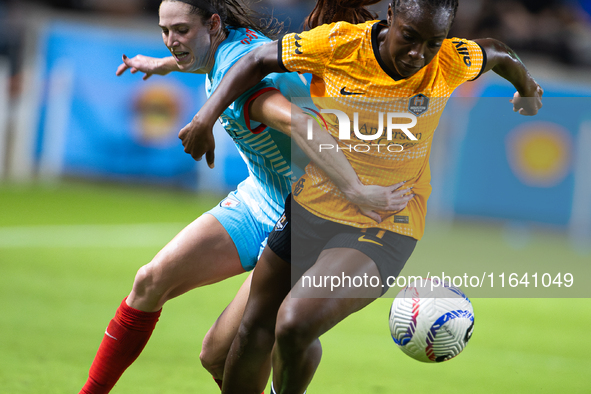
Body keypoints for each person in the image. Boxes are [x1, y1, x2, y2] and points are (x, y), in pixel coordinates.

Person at [183, 0, 544, 392]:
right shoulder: (339, 44)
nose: (418, 54)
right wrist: (205, 117)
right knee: (254, 325)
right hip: (312, 204)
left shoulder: (452, 61)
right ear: (391, 15)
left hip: (387, 220)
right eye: (410, 37)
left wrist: (527, 88)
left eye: (433, 42)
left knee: (293, 324)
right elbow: (255, 62)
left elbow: (498, 51)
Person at [79, 0, 409, 393]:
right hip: (261, 196)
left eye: (180, 30)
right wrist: (158, 63)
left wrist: (356, 189)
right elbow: (206, 61)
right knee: (150, 280)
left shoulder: (244, 76)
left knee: (217, 354)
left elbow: (300, 122)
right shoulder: (225, 46)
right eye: (165, 31)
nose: (171, 41)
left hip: (307, 213)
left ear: (213, 23)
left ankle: (297, 346)